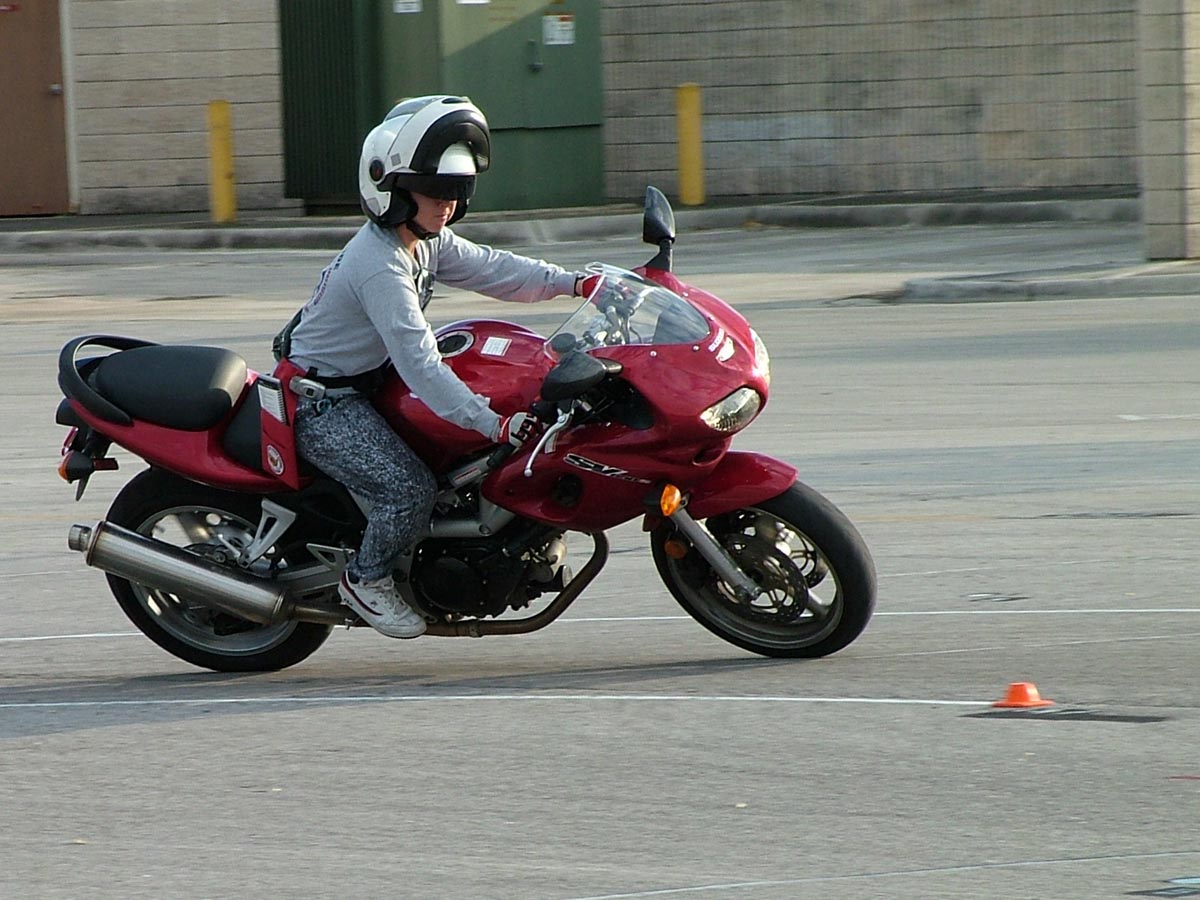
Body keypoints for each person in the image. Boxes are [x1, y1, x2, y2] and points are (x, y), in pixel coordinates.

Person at [274, 95, 595, 639]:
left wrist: (577, 283)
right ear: (393, 188)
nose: (449, 203)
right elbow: (420, 363)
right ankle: (366, 578)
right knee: (409, 490)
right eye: (437, 190)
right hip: (323, 404)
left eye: (458, 190)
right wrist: (492, 422)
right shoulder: (380, 265)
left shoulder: (422, 241)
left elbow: (494, 269)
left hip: (368, 382)